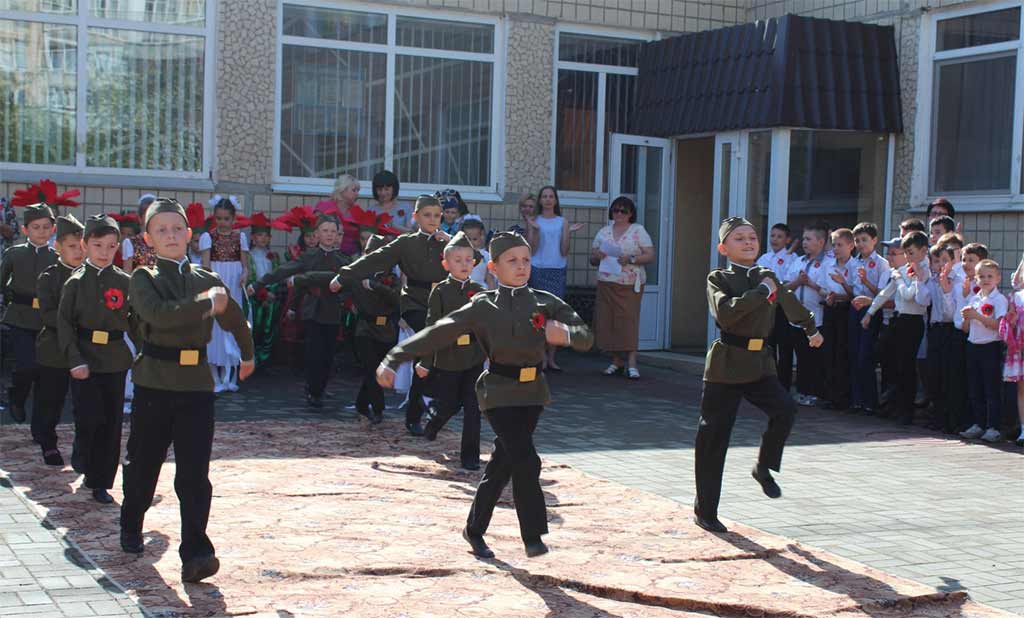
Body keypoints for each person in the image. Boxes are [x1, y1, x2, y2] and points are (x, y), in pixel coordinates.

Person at [376, 231, 593, 558]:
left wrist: (568, 335)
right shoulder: (482, 306)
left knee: (503, 464)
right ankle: (532, 536)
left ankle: (474, 529)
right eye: (512, 261)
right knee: (527, 459)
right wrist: (393, 358)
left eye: (526, 260)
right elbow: (436, 333)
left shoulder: (546, 302)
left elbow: (587, 336)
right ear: (492, 267)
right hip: (498, 392)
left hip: (533, 393)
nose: (521, 267)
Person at [120, 197, 254, 584]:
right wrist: (204, 305)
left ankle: (196, 551)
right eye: (161, 230)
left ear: (190, 235)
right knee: (144, 465)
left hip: (196, 386)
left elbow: (234, 318)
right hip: (154, 384)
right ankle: (132, 523)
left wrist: (247, 355)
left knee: (194, 475)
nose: (171, 235)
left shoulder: (206, 280)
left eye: (177, 228)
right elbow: (159, 317)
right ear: (148, 238)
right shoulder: (144, 279)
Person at [694, 217, 822, 534]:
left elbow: (790, 304)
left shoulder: (768, 276)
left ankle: (763, 466)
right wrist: (762, 293)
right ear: (724, 248)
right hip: (726, 365)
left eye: (752, 237)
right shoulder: (719, 278)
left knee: (786, 409)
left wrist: (810, 328)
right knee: (713, 438)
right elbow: (726, 314)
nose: (749, 242)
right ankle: (706, 511)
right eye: (739, 238)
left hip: (760, 364)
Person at [333, 195, 450, 435]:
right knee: (428, 344)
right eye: (426, 215)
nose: (432, 220)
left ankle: (417, 409)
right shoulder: (405, 243)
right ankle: (416, 408)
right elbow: (373, 259)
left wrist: (449, 241)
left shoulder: (446, 243)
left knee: (429, 359)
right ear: (415, 217)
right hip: (414, 303)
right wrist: (343, 276)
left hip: (438, 302)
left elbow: (475, 257)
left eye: (437, 215)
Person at [58, 215, 133, 504]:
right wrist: (74, 359)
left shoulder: (124, 282)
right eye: (98, 245)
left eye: (111, 246)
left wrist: (145, 351)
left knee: (111, 422)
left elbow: (135, 321)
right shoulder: (76, 282)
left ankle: (101, 480)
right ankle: (83, 455)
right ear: (85, 245)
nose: (104, 252)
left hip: (114, 358)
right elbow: (64, 323)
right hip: (85, 357)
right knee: (89, 418)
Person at [249, 215, 350, 408]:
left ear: (338, 234)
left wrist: (307, 279)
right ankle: (313, 391)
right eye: (325, 230)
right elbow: (284, 271)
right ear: (317, 234)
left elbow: (345, 281)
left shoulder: (342, 259)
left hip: (332, 310)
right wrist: (260, 283)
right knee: (314, 353)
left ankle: (319, 388)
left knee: (329, 354)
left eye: (333, 231)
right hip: (312, 310)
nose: (329, 235)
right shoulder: (309, 256)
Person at [416, 231, 487, 470]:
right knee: (449, 405)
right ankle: (435, 423)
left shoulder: (480, 289)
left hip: (474, 357)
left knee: (473, 407)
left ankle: (470, 456)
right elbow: (431, 327)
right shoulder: (441, 291)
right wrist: (426, 361)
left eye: (468, 260)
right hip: (448, 357)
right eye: (458, 260)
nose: (464, 264)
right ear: (446, 264)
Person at [861, 231, 931, 424]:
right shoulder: (903, 270)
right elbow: (885, 293)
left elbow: (909, 295)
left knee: (906, 366)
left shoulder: (923, 271)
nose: (908, 258)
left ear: (924, 251)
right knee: (884, 355)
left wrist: (900, 278)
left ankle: (905, 409)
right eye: (906, 253)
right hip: (898, 319)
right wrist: (870, 313)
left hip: (913, 321)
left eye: (911, 253)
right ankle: (893, 400)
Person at [33, 214, 85, 466]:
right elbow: (48, 314)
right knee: (50, 401)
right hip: (54, 349)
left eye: (81, 246)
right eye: (72, 247)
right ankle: (48, 444)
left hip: (85, 349)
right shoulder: (49, 277)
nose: (78, 252)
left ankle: (82, 450)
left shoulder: (90, 276)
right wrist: (75, 322)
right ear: (58, 248)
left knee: (84, 405)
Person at [1, 202, 58, 423]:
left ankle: (40, 423)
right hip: (20, 317)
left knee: (44, 372)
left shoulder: (57, 257)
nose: (41, 231)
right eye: (36, 227)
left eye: (46, 227)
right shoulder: (14, 254)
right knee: (25, 366)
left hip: (47, 320)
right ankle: (17, 395)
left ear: (53, 229)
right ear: (25, 230)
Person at [590, 195, 655, 379]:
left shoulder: (638, 230)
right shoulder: (604, 231)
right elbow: (592, 258)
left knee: (628, 321)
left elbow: (650, 255)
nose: (618, 213)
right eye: (615, 210)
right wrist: (598, 256)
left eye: (623, 210)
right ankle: (616, 361)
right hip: (606, 281)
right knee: (609, 321)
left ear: (631, 213)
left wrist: (631, 259)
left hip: (629, 284)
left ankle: (632, 363)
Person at [527, 186, 584, 372]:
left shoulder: (562, 222)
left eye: (551, 196)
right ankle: (541, 357)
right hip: (538, 269)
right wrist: (534, 230)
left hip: (556, 270)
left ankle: (551, 358)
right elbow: (532, 250)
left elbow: (564, 251)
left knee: (555, 316)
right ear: (540, 200)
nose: (548, 200)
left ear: (556, 200)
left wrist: (568, 232)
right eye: (544, 196)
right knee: (539, 315)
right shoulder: (534, 220)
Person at [200, 196, 250, 393]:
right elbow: (205, 266)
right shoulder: (208, 237)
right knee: (215, 327)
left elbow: (245, 265)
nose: (222, 222)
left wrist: (245, 274)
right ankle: (214, 375)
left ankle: (229, 375)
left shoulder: (241, 237)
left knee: (231, 325)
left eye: (226, 219)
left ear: (233, 218)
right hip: (217, 282)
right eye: (219, 218)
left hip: (234, 284)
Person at [783, 221, 834, 406]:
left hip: (817, 320)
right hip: (796, 320)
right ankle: (802, 391)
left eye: (808, 239)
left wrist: (811, 284)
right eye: (803, 238)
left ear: (821, 242)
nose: (804, 242)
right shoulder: (798, 261)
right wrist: (798, 282)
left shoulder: (828, 264)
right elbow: (785, 286)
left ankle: (817, 393)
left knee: (816, 359)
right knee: (802, 357)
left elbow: (830, 293)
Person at [959, 259, 1007, 443]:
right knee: (974, 387)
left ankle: (993, 426)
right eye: (981, 276)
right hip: (973, 345)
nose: (985, 280)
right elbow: (965, 329)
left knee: (991, 388)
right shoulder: (974, 298)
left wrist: (977, 316)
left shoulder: (999, 299)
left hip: (990, 346)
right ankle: (978, 423)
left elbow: (999, 326)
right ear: (976, 279)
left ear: (997, 278)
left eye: (989, 276)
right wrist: (966, 318)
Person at [847, 222, 888, 415]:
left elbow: (882, 293)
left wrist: (866, 282)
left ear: (874, 240)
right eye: (857, 240)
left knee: (865, 356)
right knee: (854, 355)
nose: (861, 244)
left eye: (864, 240)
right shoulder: (854, 262)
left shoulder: (881, 263)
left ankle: (871, 401)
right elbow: (851, 289)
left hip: (871, 310)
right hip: (855, 309)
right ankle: (857, 400)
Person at [757, 223, 799, 390]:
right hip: (767, 308)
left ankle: (784, 384)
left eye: (779, 236)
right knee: (768, 346)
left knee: (785, 346)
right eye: (772, 236)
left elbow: (790, 283)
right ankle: (769, 381)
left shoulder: (793, 259)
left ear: (787, 239)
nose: (775, 239)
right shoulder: (764, 259)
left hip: (783, 308)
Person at [925, 244, 957, 432]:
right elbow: (923, 301)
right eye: (936, 261)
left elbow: (951, 313)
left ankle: (949, 420)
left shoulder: (955, 280)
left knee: (948, 375)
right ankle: (937, 416)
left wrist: (945, 290)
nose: (939, 265)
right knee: (934, 374)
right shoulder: (931, 280)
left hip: (949, 329)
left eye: (944, 260)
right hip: (935, 329)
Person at [246, 213, 282, 369]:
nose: (263, 239)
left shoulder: (273, 257)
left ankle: (265, 359)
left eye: (266, 236)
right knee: (256, 327)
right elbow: (249, 279)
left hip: (271, 295)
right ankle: (253, 359)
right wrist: (262, 294)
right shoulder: (249, 256)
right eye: (260, 235)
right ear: (253, 237)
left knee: (269, 328)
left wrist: (271, 293)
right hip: (256, 296)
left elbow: (277, 276)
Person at [998, 255, 1024, 446]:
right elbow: (1009, 323)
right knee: (1021, 390)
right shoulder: (1016, 297)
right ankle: (1023, 429)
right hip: (1020, 348)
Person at [316, 174, 362, 256]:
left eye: (358, 191)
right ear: (342, 190)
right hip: (326, 255)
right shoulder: (325, 207)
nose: (357, 194)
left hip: (351, 257)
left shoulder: (357, 211)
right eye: (354, 190)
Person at [121, 194, 158, 273]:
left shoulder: (163, 242)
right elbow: (127, 273)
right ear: (140, 218)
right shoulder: (131, 243)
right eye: (148, 215)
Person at [462, 217, 495, 289]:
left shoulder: (486, 256)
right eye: (467, 239)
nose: (470, 242)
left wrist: (492, 295)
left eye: (474, 239)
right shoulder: (458, 255)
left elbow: (490, 279)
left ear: (481, 237)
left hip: (481, 290)